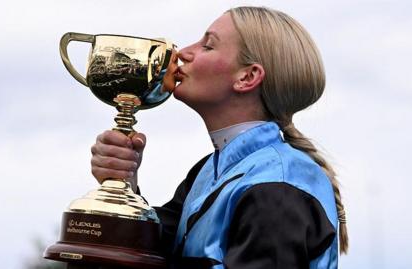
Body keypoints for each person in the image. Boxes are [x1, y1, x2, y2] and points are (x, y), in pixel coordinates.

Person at [90, 6, 348, 269]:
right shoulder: (208, 172)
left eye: (208, 45)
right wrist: (124, 189)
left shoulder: (277, 187)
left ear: (247, 77)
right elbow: (152, 251)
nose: (183, 53)